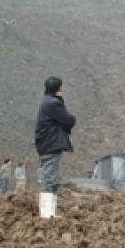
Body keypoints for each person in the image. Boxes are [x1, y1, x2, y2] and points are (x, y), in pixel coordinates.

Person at [34, 76, 76, 218]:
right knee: (49, 179)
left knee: (51, 178)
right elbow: (68, 120)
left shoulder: (46, 102)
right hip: (51, 144)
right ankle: (46, 214)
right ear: (58, 89)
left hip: (46, 144)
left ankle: (50, 212)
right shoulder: (53, 104)